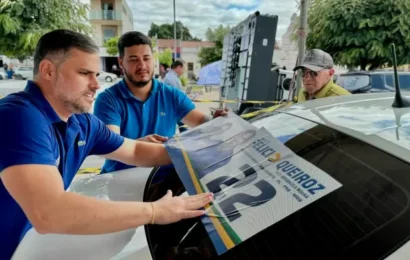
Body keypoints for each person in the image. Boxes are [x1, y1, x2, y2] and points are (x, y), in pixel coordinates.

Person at [0, 29, 213, 260]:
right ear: (48, 70)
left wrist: (201, 151)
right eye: (84, 73)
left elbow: (134, 150)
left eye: (96, 75)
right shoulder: (20, 116)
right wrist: (155, 212)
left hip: (26, 245)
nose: (96, 85)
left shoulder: (82, 123)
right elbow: (49, 212)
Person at [93, 31, 227, 174]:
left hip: (161, 178)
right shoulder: (108, 100)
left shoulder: (172, 95)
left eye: (146, 58)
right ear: (121, 63)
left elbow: (199, 120)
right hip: (119, 178)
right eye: (133, 59)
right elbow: (108, 146)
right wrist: (140, 145)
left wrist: (215, 121)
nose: (142, 65)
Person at [163, 60, 187, 132]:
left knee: (182, 127)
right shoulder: (172, 79)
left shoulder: (171, 77)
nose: (183, 72)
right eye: (183, 69)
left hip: (172, 107)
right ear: (179, 67)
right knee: (184, 128)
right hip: (174, 108)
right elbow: (176, 95)